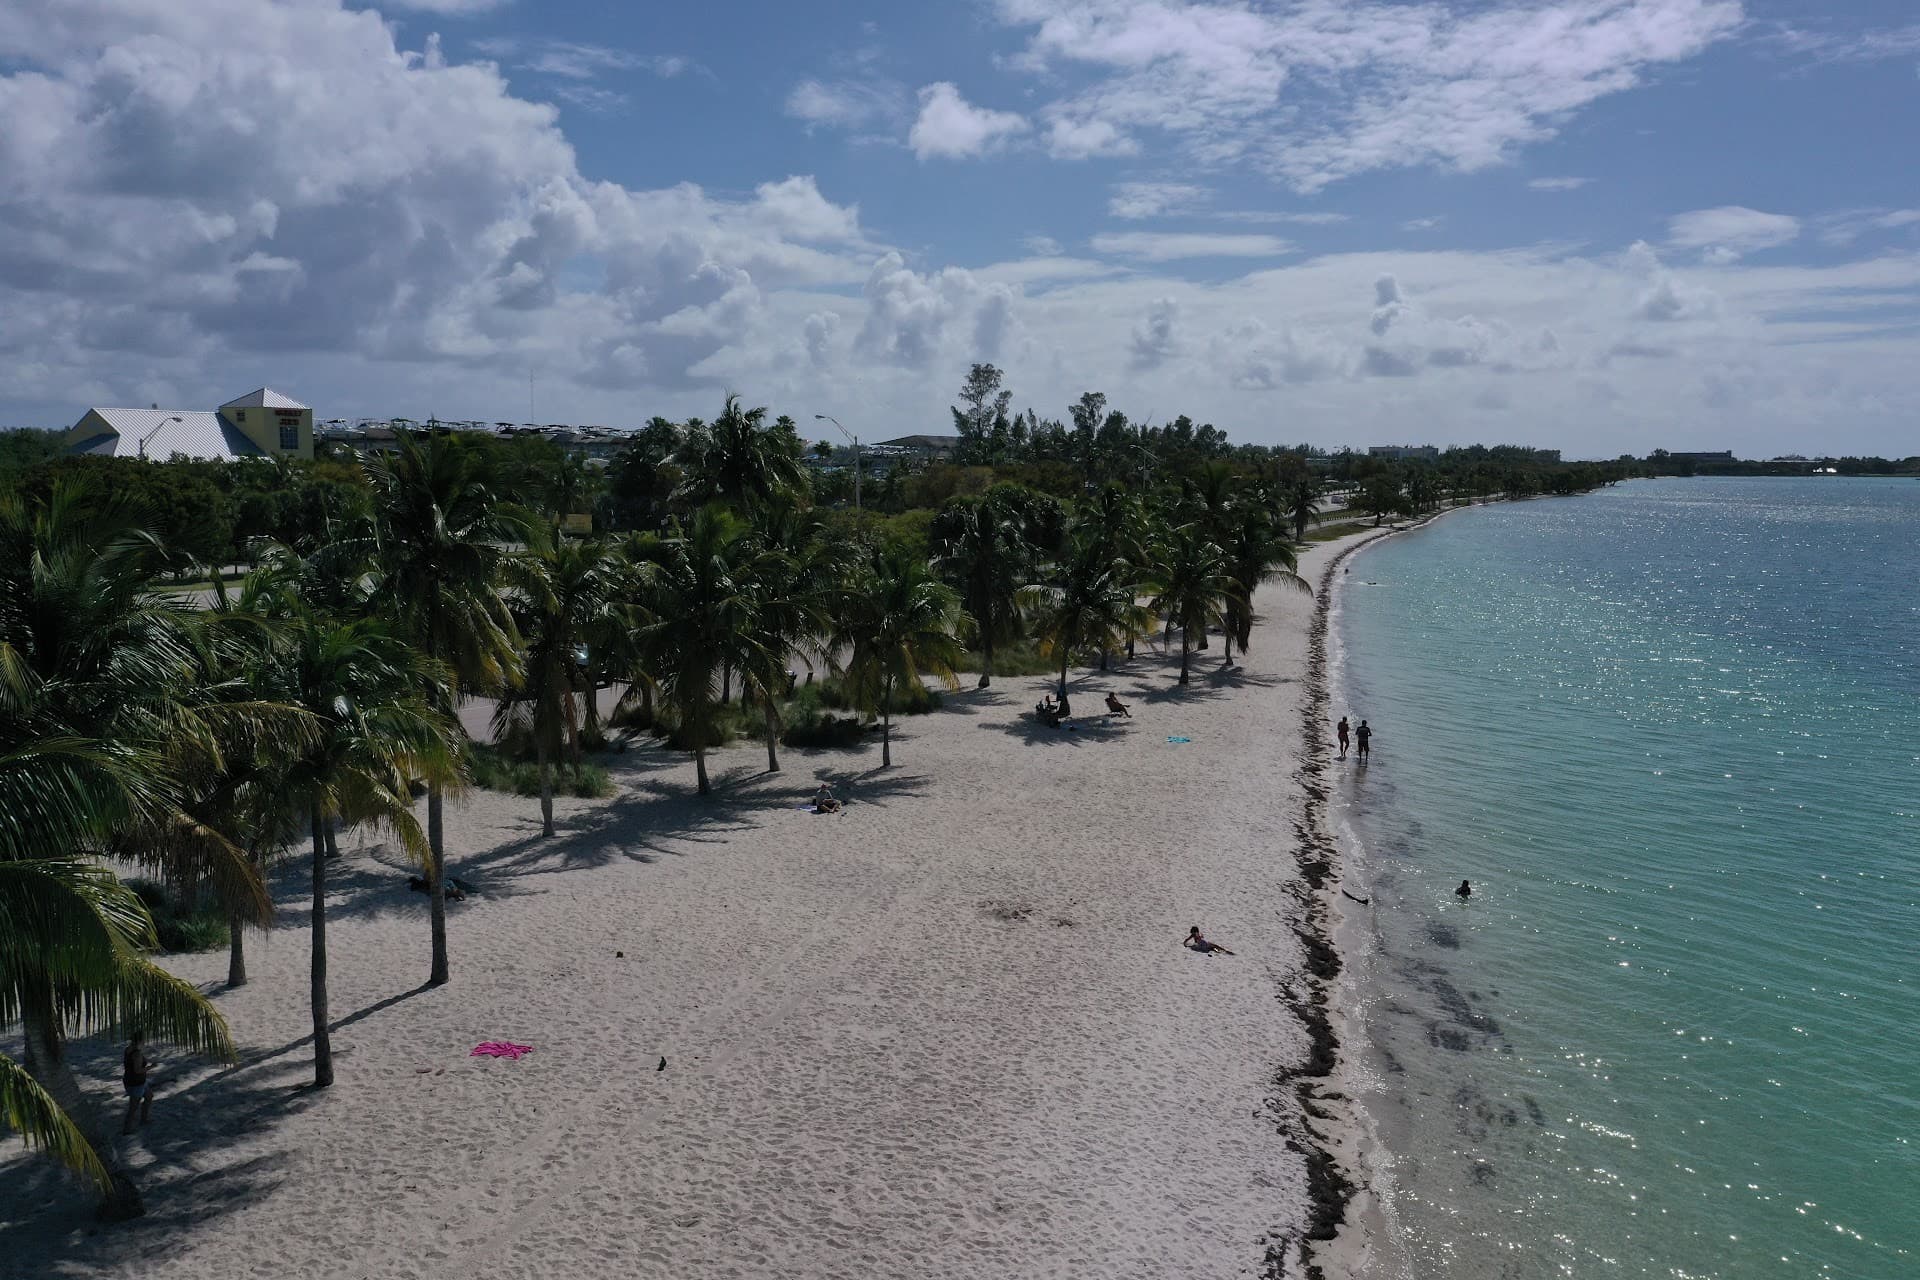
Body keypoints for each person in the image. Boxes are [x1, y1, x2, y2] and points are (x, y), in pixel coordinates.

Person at [122, 1030, 152, 1133]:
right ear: (139, 1041)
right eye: (143, 1040)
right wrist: (151, 1067)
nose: (145, 1042)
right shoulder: (137, 1054)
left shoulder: (128, 1049)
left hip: (134, 1081)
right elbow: (138, 1070)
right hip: (136, 1084)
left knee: (149, 1096)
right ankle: (127, 1129)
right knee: (133, 1107)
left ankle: (143, 1119)